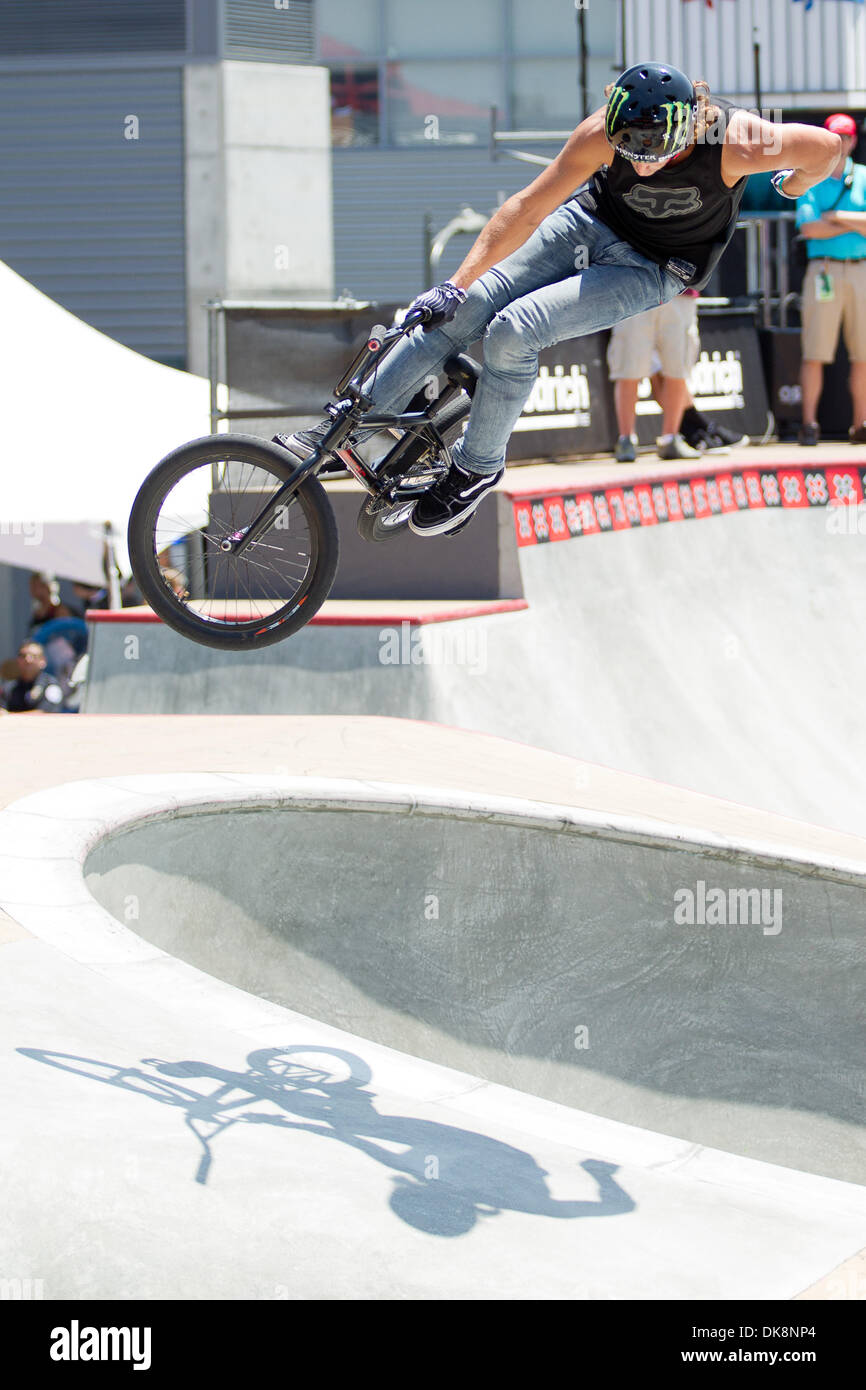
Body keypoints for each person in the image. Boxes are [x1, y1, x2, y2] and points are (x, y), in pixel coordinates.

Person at [277, 64, 840, 535]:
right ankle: (342, 425)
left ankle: (475, 468)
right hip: (588, 224)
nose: (641, 163)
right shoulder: (598, 133)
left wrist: (793, 185)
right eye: (631, 151)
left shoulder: (741, 142)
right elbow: (526, 207)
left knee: (515, 330)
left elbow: (829, 148)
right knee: (468, 305)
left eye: (656, 153)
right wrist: (457, 281)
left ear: (690, 125)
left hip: (655, 267)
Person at [794, 113, 866, 445]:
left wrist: (835, 217)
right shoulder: (811, 177)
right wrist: (856, 222)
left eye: (846, 138)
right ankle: (809, 424)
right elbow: (809, 229)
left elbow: (823, 225)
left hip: (860, 269)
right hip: (823, 269)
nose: (841, 144)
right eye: (835, 138)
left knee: (862, 354)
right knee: (815, 352)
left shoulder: (863, 176)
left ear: (853, 141)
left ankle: (860, 424)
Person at [1, 642, 66, 713]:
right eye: (23, 656)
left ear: (43, 661)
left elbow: (45, 713)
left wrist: (12, 716)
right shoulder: (9, 687)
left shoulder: (51, 686)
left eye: (34, 656)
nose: (28, 660)